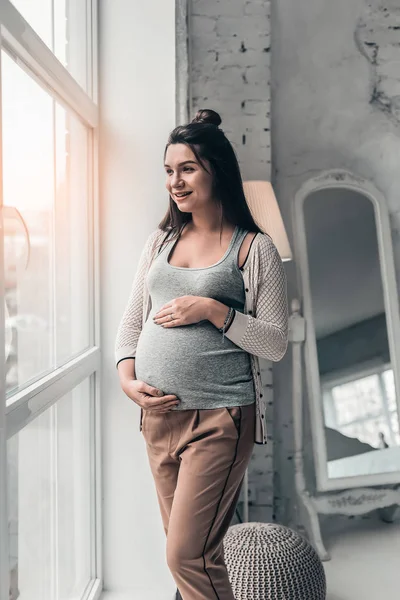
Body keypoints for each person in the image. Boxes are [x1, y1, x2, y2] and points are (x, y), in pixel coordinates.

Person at [115, 108, 289, 600]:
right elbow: (131, 324)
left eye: (187, 168)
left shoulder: (253, 250)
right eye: (169, 170)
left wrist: (215, 310)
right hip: (158, 418)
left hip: (219, 418)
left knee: (185, 556)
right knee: (189, 555)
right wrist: (129, 382)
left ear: (217, 170)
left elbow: (274, 342)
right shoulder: (160, 241)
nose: (175, 181)